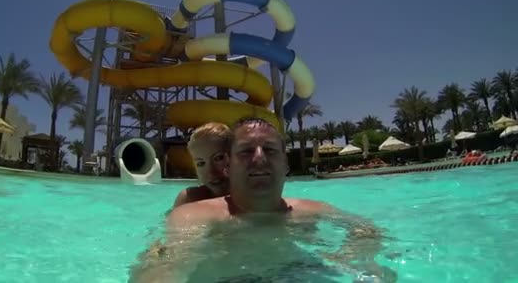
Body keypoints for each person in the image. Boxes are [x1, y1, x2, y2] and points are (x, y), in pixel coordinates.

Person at [130, 118, 396, 282]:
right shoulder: (194, 213)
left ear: (286, 164)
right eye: (246, 151)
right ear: (230, 167)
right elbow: (172, 259)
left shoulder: (312, 210)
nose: (259, 157)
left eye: (269, 149)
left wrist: (360, 261)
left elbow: (366, 230)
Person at [171, 122, 232, 208]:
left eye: (218, 158)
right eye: (201, 163)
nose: (211, 172)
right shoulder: (189, 200)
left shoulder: (254, 196)